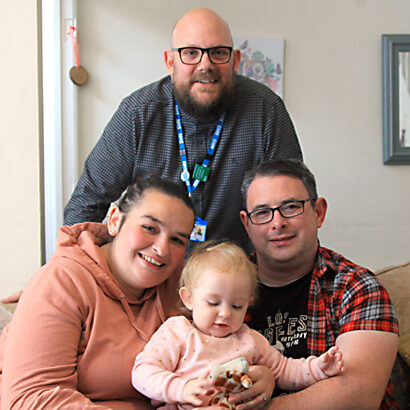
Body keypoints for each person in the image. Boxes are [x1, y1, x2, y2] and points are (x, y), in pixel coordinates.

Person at [0, 177, 273, 409]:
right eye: (149, 228)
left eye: (178, 240)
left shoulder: (181, 289)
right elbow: (30, 398)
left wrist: (263, 377)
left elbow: (221, 347)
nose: (162, 249)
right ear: (115, 220)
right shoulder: (61, 283)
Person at [63, 7, 302, 254]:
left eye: (218, 53)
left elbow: (290, 210)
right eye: (191, 53)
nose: (205, 65)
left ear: (236, 60)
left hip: (235, 280)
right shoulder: (137, 114)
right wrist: (90, 280)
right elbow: (85, 206)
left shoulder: (266, 112)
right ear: (170, 62)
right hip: (150, 275)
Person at [234, 159, 400, 409]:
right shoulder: (222, 287)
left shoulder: (357, 287)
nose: (277, 223)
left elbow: (357, 397)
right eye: (262, 213)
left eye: (290, 207)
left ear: (318, 212)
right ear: (247, 224)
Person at [131, 241, 344, 409]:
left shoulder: (249, 340)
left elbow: (286, 370)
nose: (224, 313)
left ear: (248, 304)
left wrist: (318, 368)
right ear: (188, 298)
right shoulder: (178, 331)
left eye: (236, 305)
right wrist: (181, 388)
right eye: (213, 303)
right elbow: (142, 372)